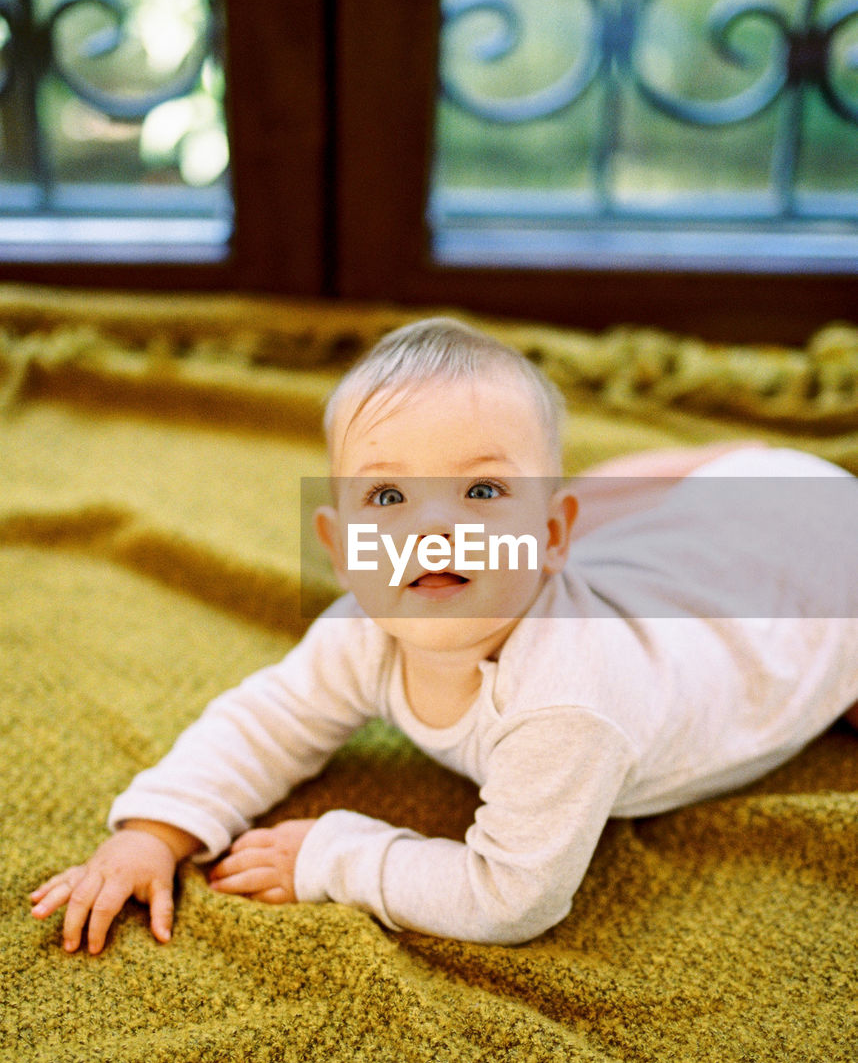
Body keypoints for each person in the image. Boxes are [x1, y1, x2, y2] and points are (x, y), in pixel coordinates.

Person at [31, 318, 858, 953]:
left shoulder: (565, 701)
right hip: (710, 536)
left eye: (482, 490)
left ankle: (751, 470)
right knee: (656, 520)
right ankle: (736, 463)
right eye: (387, 498)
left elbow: (512, 898)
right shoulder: (366, 623)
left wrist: (339, 856)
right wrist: (155, 831)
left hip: (818, 568)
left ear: (549, 535)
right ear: (338, 545)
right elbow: (270, 717)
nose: (434, 530)